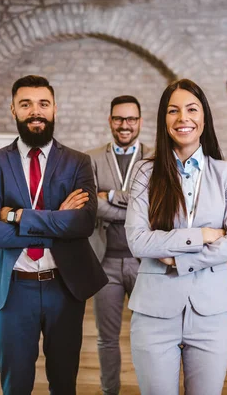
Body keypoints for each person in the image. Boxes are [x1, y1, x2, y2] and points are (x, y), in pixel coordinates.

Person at [0, 75, 108, 395]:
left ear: (55, 108)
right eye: (26, 104)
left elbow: (83, 224)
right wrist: (57, 221)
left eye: (43, 104)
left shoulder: (78, 162)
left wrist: (16, 216)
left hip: (64, 286)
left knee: (63, 380)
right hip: (12, 290)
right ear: (13, 110)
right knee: (15, 383)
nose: (36, 111)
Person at [124, 78, 227, 395]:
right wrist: (203, 235)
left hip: (211, 311)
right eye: (173, 110)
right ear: (163, 120)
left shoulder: (226, 173)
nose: (183, 118)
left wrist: (177, 258)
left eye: (192, 109)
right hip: (154, 311)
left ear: (204, 118)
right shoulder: (145, 172)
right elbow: (138, 240)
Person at [86, 95, 152, 395]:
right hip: (105, 262)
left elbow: (153, 207)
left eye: (131, 119)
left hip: (146, 263)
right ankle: (108, 391)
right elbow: (89, 205)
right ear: (110, 120)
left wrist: (110, 196)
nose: (125, 125)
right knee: (106, 338)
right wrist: (132, 205)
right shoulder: (91, 159)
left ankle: (153, 388)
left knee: (150, 335)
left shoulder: (156, 157)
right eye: (119, 119)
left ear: (140, 122)